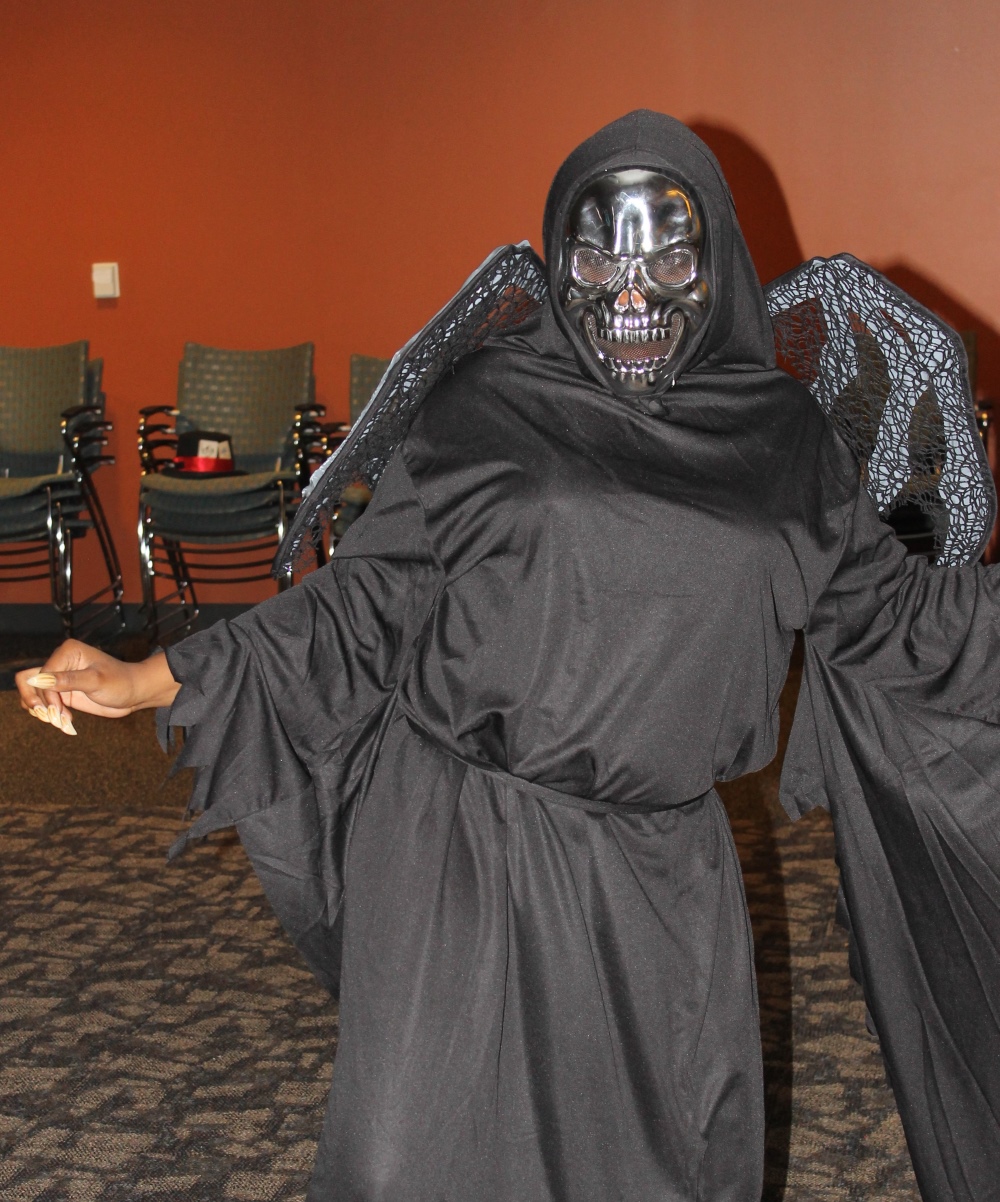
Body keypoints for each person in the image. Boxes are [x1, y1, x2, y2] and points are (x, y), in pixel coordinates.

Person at [18, 111, 1000, 1202]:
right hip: (463, 850)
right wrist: (156, 673)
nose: (630, 294)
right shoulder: (487, 402)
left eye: (666, 257)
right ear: (555, 256)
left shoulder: (782, 438)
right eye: (596, 257)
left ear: (713, 261)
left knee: (654, 1168)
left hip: (657, 876)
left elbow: (905, 622)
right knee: (416, 1164)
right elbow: (367, 601)